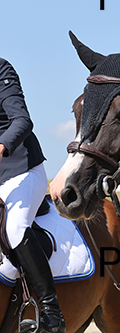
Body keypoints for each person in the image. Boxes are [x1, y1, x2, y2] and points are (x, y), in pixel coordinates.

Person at [0, 57, 65, 333]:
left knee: (14, 227)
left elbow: (22, 120)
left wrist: (2, 146)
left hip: (20, 170)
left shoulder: (1, 69)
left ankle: (52, 313)